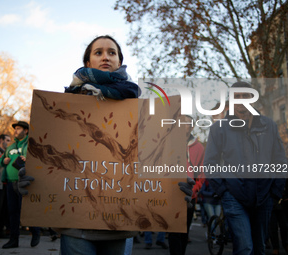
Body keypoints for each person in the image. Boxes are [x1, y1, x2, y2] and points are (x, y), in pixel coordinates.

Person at [18, 35, 194, 255]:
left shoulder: (142, 112)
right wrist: (34, 175)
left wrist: (174, 186)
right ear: (87, 63)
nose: (106, 57)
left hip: (121, 228)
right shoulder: (63, 106)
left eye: (112, 53)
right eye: (98, 52)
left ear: (119, 62)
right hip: (75, 228)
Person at [204, 81, 287, 254]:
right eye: (237, 96)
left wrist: (275, 192)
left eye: (245, 96)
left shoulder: (269, 125)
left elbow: (280, 159)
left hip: (264, 196)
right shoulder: (219, 129)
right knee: (244, 248)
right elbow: (210, 163)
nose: (241, 100)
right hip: (234, 196)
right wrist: (224, 191)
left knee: (259, 248)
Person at [0, 121, 40, 249]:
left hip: (25, 182)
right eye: (15, 129)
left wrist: (28, 159)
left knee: (26, 211)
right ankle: (13, 240)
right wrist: (3, 160)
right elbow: (2, 159)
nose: (15, 131)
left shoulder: (30, 143)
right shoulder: (11, 146)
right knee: (13, 212)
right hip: (11, 182)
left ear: (26, 130)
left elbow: (39, 159)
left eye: (18, 128)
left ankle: (35, 232)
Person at [168, 115, 205, 255]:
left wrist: (194, 189)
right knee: (174, 232)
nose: (184, 125)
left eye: (187, 123)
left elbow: (201, 174)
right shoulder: (168, 143)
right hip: (171, 194)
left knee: (184, 232)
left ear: (192, 126)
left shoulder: (199, 147)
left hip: (190, 196)